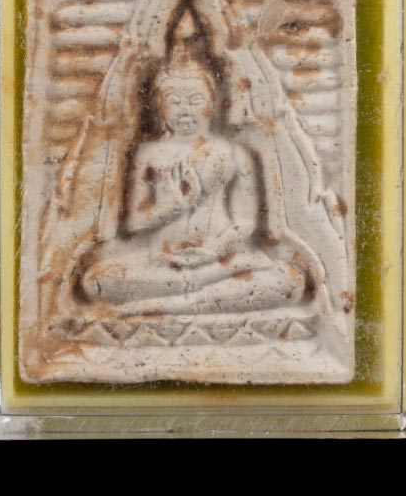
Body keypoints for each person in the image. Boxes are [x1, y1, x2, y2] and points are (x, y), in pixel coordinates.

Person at [79, 55, 307, 316]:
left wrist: (215, 249)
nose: (185, 110)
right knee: (95, 280)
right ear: (158, 105)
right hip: (162, 262)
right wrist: (172, 207)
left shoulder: (233, 153)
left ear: (211, 103)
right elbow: (135, 223)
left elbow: (244, 222)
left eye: (195, 100)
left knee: (289, 281)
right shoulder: (150, 154)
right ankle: (199, 296)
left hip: (219, 261)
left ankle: (157, 306)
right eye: (174, 101)